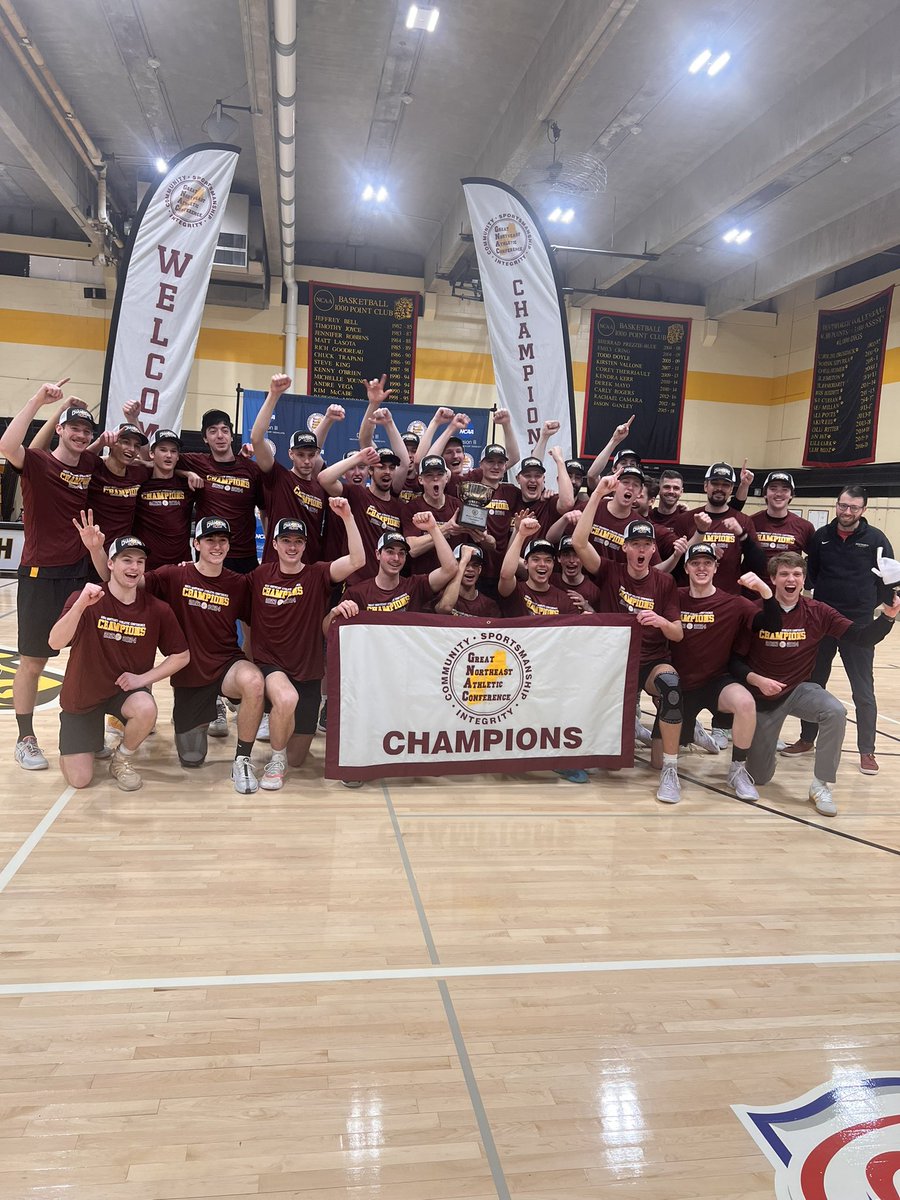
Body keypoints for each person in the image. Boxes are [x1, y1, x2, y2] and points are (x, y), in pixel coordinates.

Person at [76, 512, 266, 793]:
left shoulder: (238, 583)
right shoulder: (173, 575)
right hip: (189, 674)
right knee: (192, 758)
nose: (217, 546)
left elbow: (250, 624)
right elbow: (117, 580)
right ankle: (199, 711)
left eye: (222, 540)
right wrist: (96, 549)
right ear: (196, 544)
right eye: (209, 539)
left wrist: (250, 660)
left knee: (254, 681)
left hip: (227, 664)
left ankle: (242, 758)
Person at [730, 551, 899, 815]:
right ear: (773, 579)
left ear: (804, 579)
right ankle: (762, 747)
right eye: (784, 574)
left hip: (798, 689)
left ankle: (821, 785)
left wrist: (887, 618)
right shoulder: (754, 611)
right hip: (761, 696)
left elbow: (860, 636)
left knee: (835, 711)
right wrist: (758, 681)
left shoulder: (818, 611)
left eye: (797, 574)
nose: (791, 579)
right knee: (759, 777)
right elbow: (734, 662)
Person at [0, 381, 98, 770]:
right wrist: (41, 401)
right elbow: (9, 446)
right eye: (74, 428)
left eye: (86, 431)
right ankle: (25, 738)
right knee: (33, 661)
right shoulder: (38, 464)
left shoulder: (89, 463)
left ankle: (83, 731)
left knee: (86, 659)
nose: (80, 435)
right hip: (40, 577)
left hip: (80, 577)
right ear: (60, 428)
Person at [47, 535, 189, 792]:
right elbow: (55, 643)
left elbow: (182, 655)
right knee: (80, 780)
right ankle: (86, 740)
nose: (134, 567)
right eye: (126, 560)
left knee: (146, 707)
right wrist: (80, 606)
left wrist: (143, 680)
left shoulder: (157, 609)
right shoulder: (86, 599)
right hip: (83, 695)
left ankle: (121, 759)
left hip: (124, 693)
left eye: (140, 562)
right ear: (110, 564)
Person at [249, 500, 366, 790]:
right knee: (286, 699)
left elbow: (357, 561)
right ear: (274, 544)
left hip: (308, 671)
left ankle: (281, 735)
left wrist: (348, 517)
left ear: (305, 545)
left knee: (299, 758)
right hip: (271, 665)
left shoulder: (317, 574)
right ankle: (275, 762)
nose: (292, 547)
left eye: (298, 541)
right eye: (286, 541)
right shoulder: (259, 576)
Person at [573, 503, 685, 803]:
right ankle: (578, 750)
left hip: (650, 661)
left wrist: (661, 621)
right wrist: (597, 494)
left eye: (646, 545)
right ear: (625, 547)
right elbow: (579, 543)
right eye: (635, 543)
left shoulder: (665, 582)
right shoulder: (611, 570)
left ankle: (670, 770)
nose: (641, 550)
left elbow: (678, 632)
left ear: (652, 551)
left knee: (671, 688)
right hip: (612, 662)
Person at [783, 486, 894, 774]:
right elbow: (813, 577)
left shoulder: (877, 540)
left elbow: (888, 579)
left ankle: (866, 751)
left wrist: (877, 606)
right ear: (836, 505)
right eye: (843, 506)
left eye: (854, 508)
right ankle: (807, 738)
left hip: (858, 624)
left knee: (863, 691)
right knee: (813, 683)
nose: (847, 512)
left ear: (864, 510)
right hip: (821, 622)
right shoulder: (821, 537)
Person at [673, 542, 782, 799]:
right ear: (687, 568)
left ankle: (737, 770)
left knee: (745, 703)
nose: (702, 568)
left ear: (715, 568)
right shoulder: (673, 596)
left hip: (716, 682)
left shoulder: (733, 603)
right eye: (695, 563)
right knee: (658, 760)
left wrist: (765, 591)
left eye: (707, 563)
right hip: (680, 685)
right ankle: (692, 730)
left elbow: (773, 625)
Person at [250, 373, 332, 565]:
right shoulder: (278, 477)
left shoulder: (321, 488)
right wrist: (274, 394)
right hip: (275, 569)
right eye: (301, 455)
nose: (306, 461)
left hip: (308, 569)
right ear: (290, 454)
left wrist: (328, 419)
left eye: (311, 455)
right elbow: (256, 439)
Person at [326, 512, 457, 628]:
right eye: (390, 551)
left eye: (401, 553)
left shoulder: (415, 586)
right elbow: (328, 632)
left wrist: (433, 528)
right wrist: (333, 613)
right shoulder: (357, 593)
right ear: (378, 554)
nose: (396, 558)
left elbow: (450, 568)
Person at [178, 408, 264, 575]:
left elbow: (264, 509)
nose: (220, 436)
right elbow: (158, 462)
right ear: (205, 438)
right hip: (209, 554)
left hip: (244, 555)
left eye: (225, 430)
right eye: (213, 431)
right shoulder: (196, 463)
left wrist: (269, 550)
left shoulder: (252, 469)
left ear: (232, 436)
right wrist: (186, 473)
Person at [133, 428, 195, 570]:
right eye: (163, 450)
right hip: (147, 567)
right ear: (151, 453)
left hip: (180, 565)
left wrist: (187, 474)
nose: (169, 455)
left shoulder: (187, 484)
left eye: (173, 451)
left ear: (178, 456)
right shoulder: (140, 482)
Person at [498, 516, 579, 618]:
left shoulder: (564, 600)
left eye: (548, 560)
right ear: (526, 564)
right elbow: (505, 575)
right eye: (536, 559)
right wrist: (521, 535)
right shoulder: (515, 591)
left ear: (553, 565)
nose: (542, 564)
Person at [749, 471, 814, 560]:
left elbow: (816, 557)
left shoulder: (805, 527)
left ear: (791, 495)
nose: (779, 494)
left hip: (788, 574)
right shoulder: (750, 522)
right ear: (765, 494)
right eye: (773, 489)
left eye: (785, 489)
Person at [435, 544, 501, 618]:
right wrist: (463, 561)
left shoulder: (489, 605)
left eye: (475, 565)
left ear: (479, 570)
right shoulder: (442, 597)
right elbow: (444, 609)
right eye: (466, 564)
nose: (470, 569)